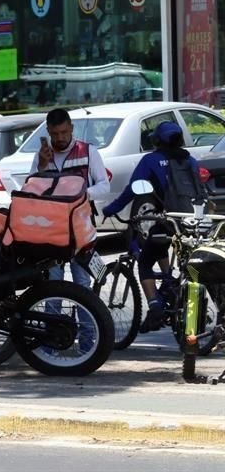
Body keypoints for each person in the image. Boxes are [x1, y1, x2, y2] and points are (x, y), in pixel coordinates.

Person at [102, 121, 203, 332]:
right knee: (168, 249)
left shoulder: (151, 160)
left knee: (146, 260)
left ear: (156, 140)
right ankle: (169, 282)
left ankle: (154, 306)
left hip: (167, 221)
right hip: (195, 223)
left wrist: (111, 208)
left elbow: (133, 189)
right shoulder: (190, 160)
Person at [31, 108, 110, 288]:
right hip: (50, 229)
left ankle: (85, 317)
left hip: (81, 228)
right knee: (52, 283)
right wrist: (41, 167)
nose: (60, 138)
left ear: (72, 128)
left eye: (64, 132)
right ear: (48, 132)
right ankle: (54, 317)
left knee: (82, 282)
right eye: (55, 133)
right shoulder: (42, 155)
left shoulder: (88, 151)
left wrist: (81, 195)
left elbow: (104, 186)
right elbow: (31, 190)